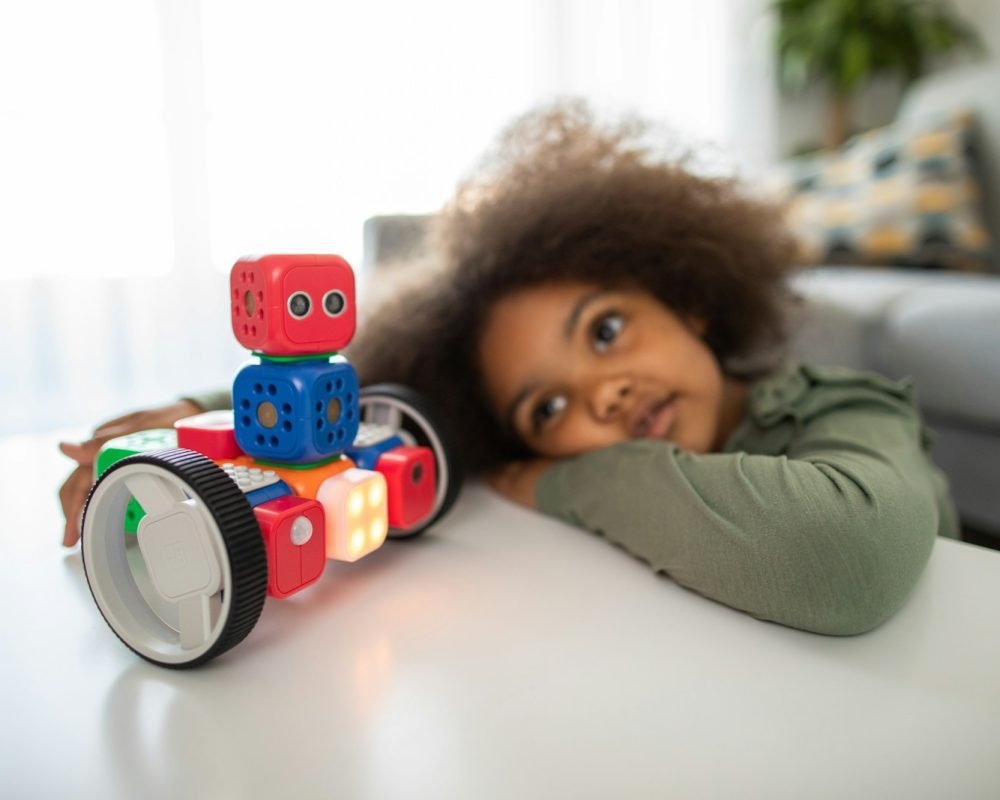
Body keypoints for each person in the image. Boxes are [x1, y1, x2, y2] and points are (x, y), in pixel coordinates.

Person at [59, 101, 958, 636]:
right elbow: (350, 403)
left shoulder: (842, 406)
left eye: (606, 330)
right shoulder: (472, 430)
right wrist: (194, 418)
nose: (601, 394)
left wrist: (568, 481)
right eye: (547, 408)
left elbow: (846, 557)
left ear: (686, 295)